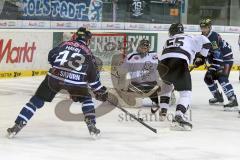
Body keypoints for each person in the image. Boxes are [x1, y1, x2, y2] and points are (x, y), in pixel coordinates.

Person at [7, 27, 108, 138]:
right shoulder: (89, 54)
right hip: (75, 81)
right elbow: (94, 79)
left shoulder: (64, 44)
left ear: (75, 36)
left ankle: (18, 124)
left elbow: (51, 56)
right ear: (88, 40)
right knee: (86, 99)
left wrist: (59, 67)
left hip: (54, 77)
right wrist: (100, 91)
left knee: (36, 100)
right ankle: (91, 124)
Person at [158, 23, 211, 130]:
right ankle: (179, 116)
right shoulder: (190, 37)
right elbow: (206, 42)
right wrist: (202, 57)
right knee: (186, 94)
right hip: (179, 62)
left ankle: (163, 110)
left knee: (167, 85)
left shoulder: (168, 41)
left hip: (162, 65)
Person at [200, 18, 238, 110]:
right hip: (218, 59)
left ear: (209, 27)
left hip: (226, 59)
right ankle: (218, 97)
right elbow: (207, 52)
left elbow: (218, 54)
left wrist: (215, 67)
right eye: (202, 27)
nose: (203, 29)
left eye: (205, 28)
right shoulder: (203, 36)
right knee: (208, 78)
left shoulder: (212, 37)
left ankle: (233, 100)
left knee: (222, 77)